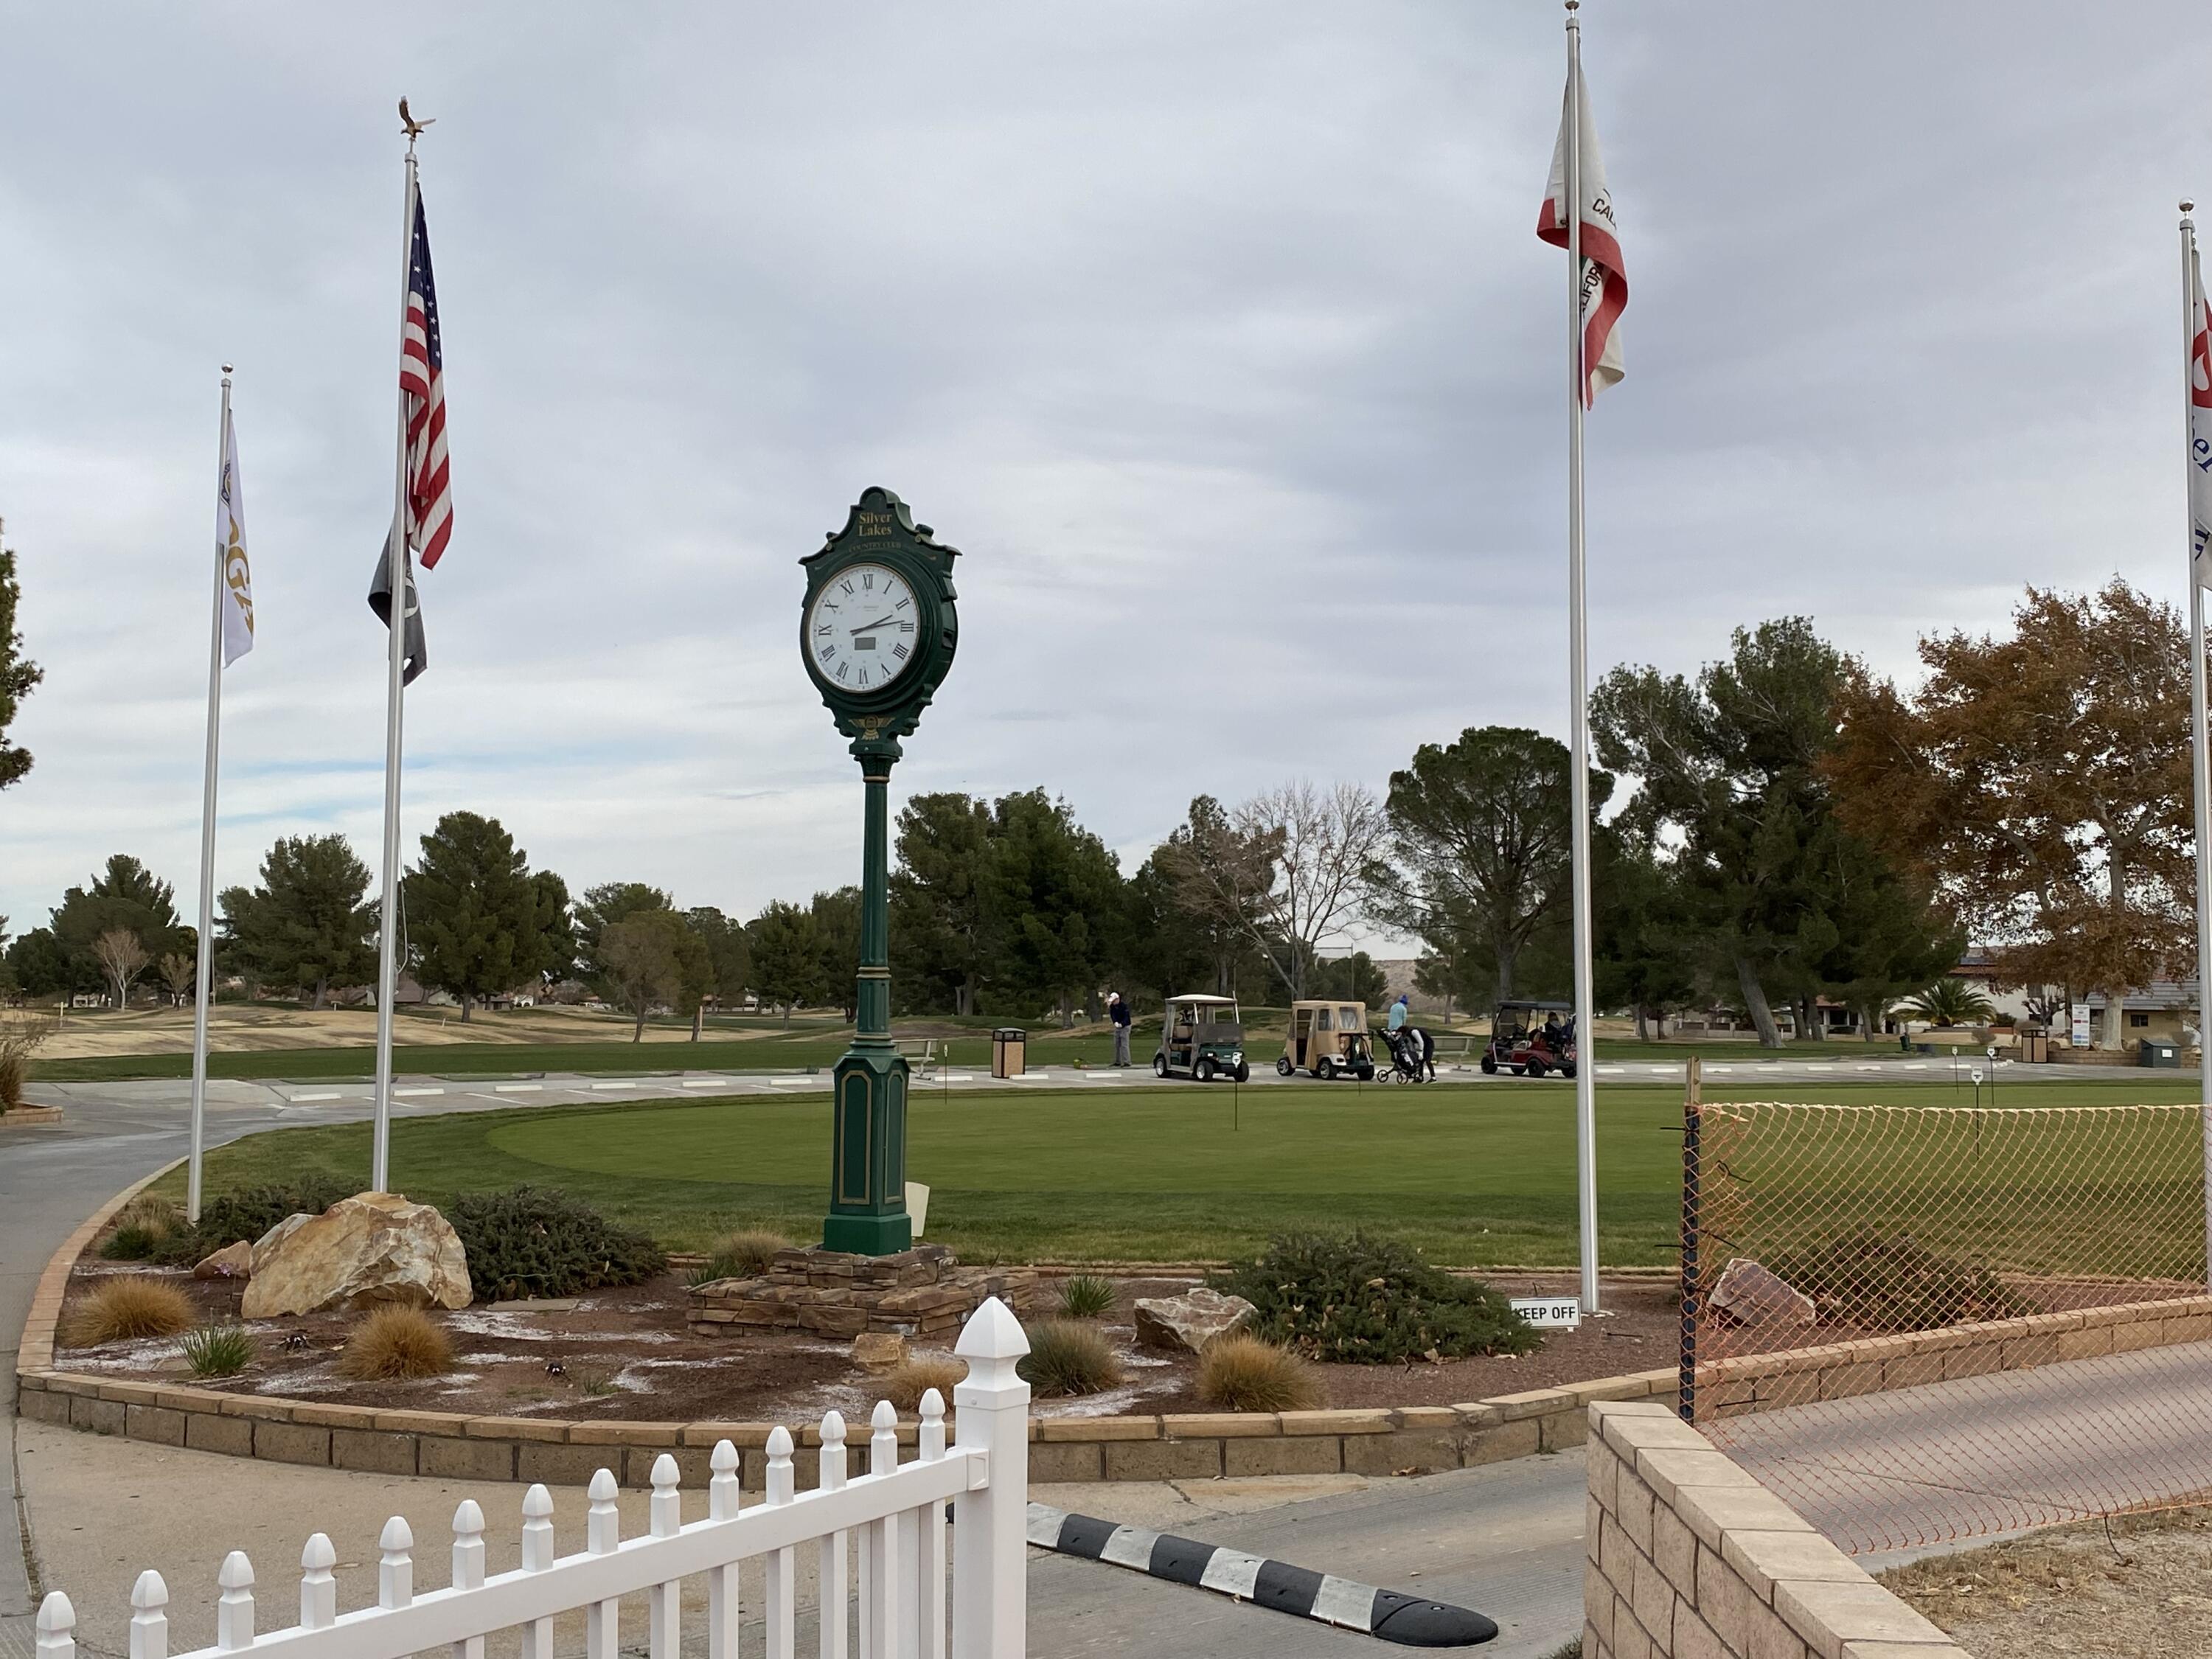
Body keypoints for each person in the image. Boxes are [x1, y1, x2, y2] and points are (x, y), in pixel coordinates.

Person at [1108, 990, 1133, 1067]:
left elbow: (1126, 1017)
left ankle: (1127, 1062)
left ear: (1118, 999)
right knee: (1116, 1044)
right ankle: (1117, 1061)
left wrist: (1122, 1024)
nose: (1113, 1002)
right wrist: (1115, 1022)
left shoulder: (1124, 1006)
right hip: (1117, 1026)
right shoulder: (1112, 1007)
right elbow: (1113, 1016)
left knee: (1124, 1045)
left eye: (1114, 1001)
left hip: (1125, 1026)